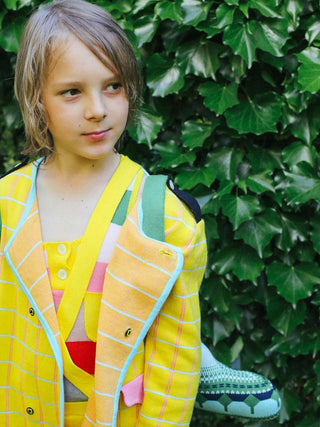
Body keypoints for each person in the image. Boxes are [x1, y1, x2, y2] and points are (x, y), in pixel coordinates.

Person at [0, 1, 280, 426]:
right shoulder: (6, 204)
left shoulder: (165, 218)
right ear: (36, 98)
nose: (97, 109)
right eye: (71, 91)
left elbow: (174, 364)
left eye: (113, 86)